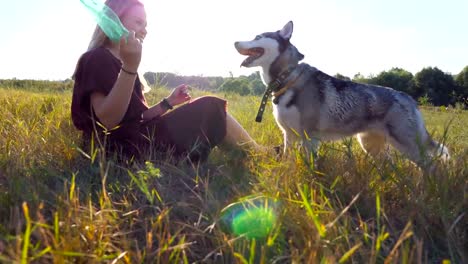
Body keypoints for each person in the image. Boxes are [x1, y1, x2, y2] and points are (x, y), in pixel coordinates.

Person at [72, 0, 261, 162]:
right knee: (210, 106)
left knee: (207, 110)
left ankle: (246, 155)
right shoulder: (97, 58)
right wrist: (130, 67)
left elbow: (137, 118)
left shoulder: (124, 61)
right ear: (114, 20)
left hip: (138, 139)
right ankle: (259, 154)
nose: (144, 31)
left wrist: (168, 103)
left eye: (146, 25)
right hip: (122, 151)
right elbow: (108, 121)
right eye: (138, 22)